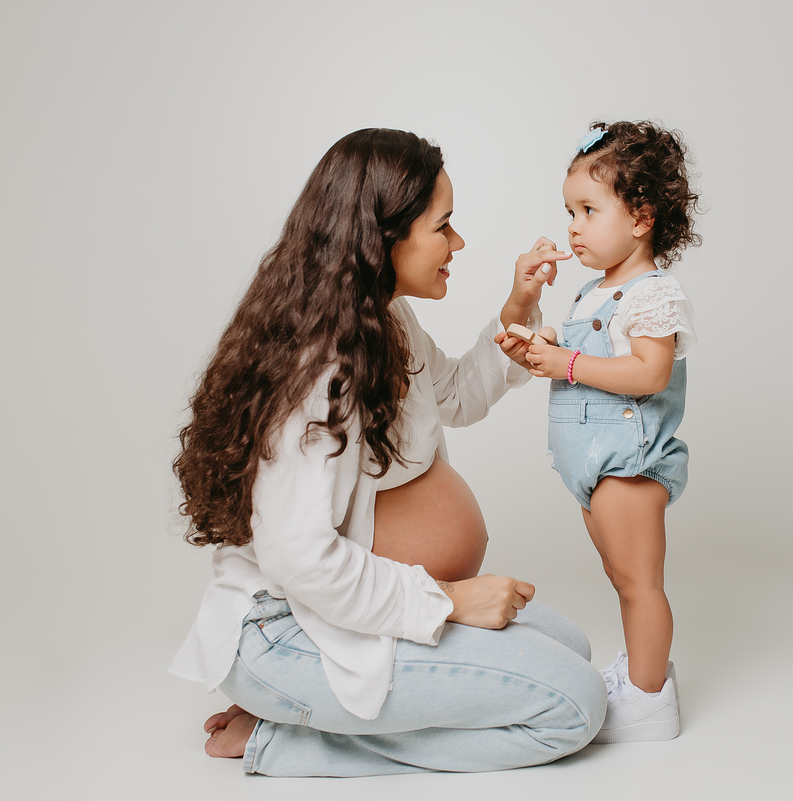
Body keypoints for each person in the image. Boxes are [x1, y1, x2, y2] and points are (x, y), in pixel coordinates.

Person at [169, 128, 607, 777]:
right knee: (575, 706)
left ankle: (302, 711)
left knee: (573, 648)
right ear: (383, 238)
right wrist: (450, 601)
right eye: (443, 226)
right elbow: (299, 558)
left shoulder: (384, 321)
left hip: (358, 609)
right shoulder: (322, 371)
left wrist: (519, 307)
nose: (458, 243)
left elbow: (453, 395)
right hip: (287, 631)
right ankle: (279, 738)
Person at [518, 121, 700, 743]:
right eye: (570, 211)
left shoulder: (651, 294)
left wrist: (565, 362)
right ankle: (640, 676)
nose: (573, 227)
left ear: (642, 217)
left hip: (628, 466)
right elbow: (586, 350)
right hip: (594, 467)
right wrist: (541, 342)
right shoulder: (596, 291)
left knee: (640, 585)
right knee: (623, 580)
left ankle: (650, 702)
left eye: (589, 211)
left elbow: (648, 372)